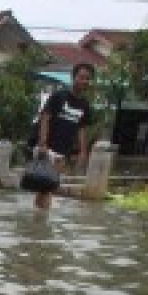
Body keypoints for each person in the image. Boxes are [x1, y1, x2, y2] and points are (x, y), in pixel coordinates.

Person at [32, 62, 94, 210]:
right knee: (46, 187)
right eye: (81, 77)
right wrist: (42, 144)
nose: (84, 81)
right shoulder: (58, 96)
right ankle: (40, 220)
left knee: (47, 187)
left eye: (87, 78)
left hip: (63, 150)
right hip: (47, 147)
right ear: (74, 77)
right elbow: (45, 118)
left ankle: (38, 219)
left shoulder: (85, 105)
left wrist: (82, 151)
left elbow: (81, 128)